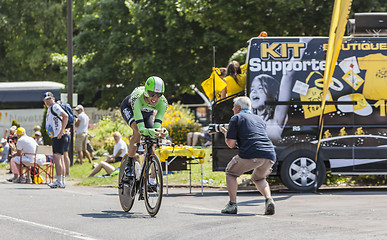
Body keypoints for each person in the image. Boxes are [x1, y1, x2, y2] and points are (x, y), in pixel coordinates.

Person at [220, 96, 276, 215]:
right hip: (269, 154)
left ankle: (232, 204)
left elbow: (231, 144)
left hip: (252, 153)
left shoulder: (236, 118)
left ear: (238, 107)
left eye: (234, 106)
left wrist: (226, 134)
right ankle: (269, 199)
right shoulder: (259, 119)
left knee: (231, 173)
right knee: (259, 178)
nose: (232, 109)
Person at [120, 76, 168, 181]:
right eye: (152, 94)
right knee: (137, 131)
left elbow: (157, 125)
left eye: (159, 95)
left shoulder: (163, 103)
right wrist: (145, 131)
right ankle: (129, 164)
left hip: (147, 113)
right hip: (131, 109)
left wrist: (159, 132)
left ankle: (151, 179)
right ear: (146, 92)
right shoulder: (137, 98)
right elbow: (141, 128)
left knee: (152, 141)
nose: (155, 98)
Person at [43, 91, 68, 188]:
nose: (47, 101)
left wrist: (61, 131)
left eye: (49, 99)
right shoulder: (50, 109)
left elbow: (65, 116)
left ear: (53, 99)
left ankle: (59, 180)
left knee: (57, 158)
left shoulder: (55, 106)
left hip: (59, 136)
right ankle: (61, 180)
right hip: (56, 136)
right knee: (59, 158)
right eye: (46, 100)